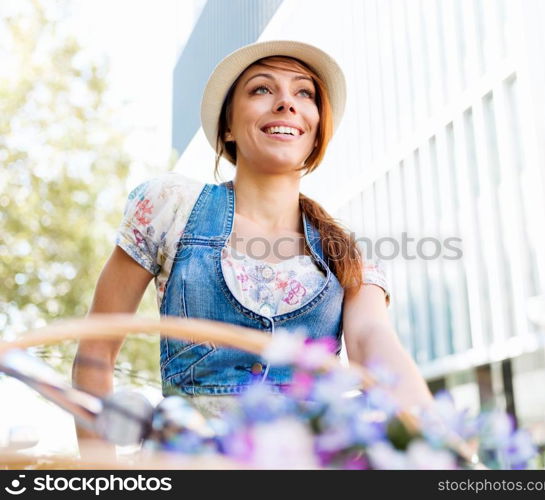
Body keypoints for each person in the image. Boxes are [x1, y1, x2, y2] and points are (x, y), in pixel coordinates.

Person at [72, 40, 433, 456]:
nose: (286, 103)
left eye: (304, 93)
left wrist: (431, 432)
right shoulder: (170, 205)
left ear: (316, 130)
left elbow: (372, 339)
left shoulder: (346, 251)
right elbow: (96, 348)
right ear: (227, 127)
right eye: (262, 89)